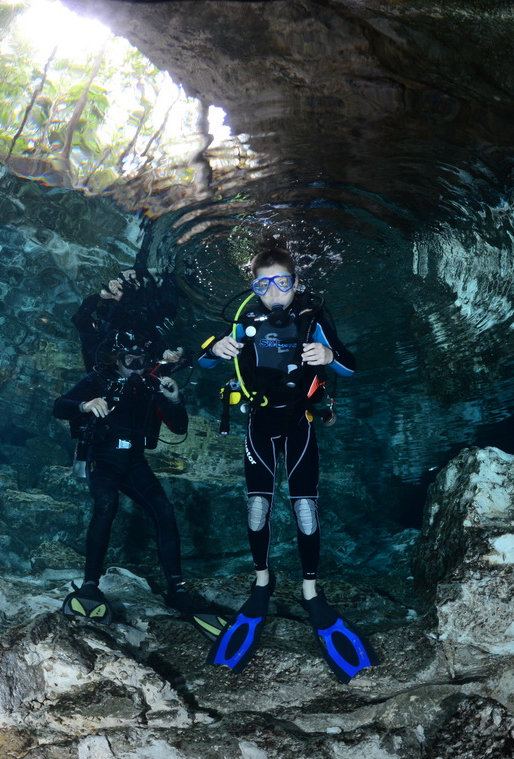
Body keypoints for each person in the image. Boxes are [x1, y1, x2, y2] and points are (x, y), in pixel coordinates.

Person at [197, 246, 378, 683]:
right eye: (263, 285)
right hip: (259, 423)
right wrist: (217, 348)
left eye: (282, 283)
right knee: (257, 507)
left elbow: (352, 367)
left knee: (304, 510)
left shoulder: (313, 321)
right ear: (253, 287)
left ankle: (310, 591)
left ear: (296, 283)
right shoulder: (244, 321)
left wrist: (330, 358)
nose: (273, 293)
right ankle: (262, 582)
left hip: (299, 423)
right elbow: (201, 359)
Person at [53, 332, 224, 639]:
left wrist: (173, 398)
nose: (134, 367)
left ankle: (177, 589)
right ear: (115, 359)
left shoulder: (150, 385)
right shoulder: (98, 380)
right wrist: (86, 403)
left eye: (140, 362)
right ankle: (90, 584)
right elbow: (59, 406)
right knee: (107, 504)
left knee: (164, 509)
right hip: (102, 458)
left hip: (133, 462)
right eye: (127, 361)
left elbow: (180, 426)